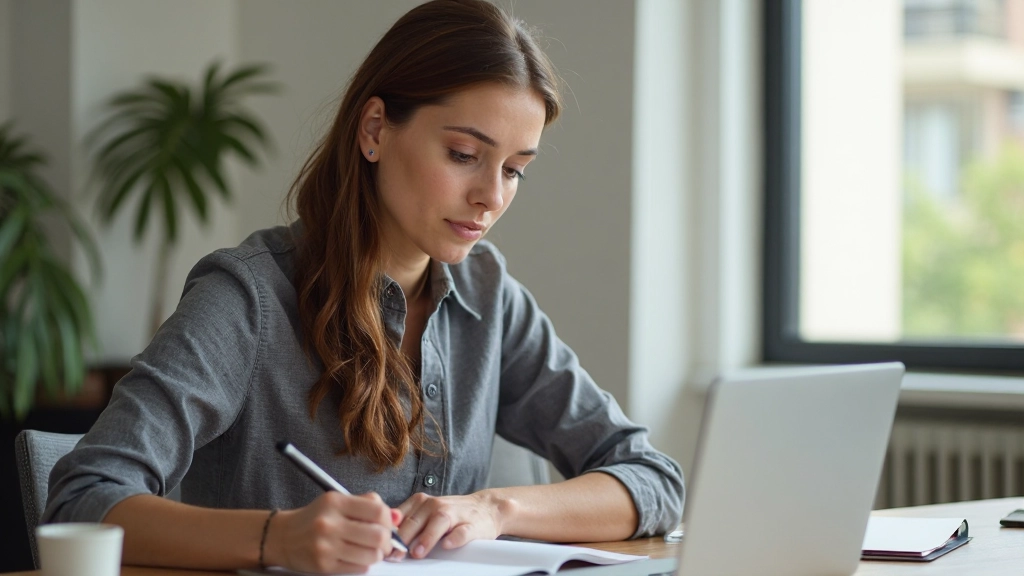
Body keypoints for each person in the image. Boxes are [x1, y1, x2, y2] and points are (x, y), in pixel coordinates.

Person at [44, 0, 684, 573]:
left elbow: (652, 479)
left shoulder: (487, 296)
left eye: (515, 170)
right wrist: (277, 538)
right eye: (464, 155)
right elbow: (83, 496)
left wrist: (494, 508)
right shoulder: (247, 297)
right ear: (375, 129)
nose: (491, 197)